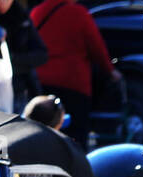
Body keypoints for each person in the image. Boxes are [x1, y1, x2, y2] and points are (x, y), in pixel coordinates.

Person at [30, 0, 119, 147]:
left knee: (41, 132)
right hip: (73, 83)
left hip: (42, 81)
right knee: (74, 138)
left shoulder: (37, 12)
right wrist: (110, 71)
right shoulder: (79, 13)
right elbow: (97, 48)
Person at [0, 0, 48, 113]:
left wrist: (11, 59)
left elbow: (42, 54)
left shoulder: (22, 18)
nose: (3, 2)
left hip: (22, 89)